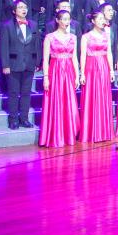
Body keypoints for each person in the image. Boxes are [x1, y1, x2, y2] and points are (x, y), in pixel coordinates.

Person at [39, 10, 80, 147]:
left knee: (69, 102)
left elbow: (74, 58)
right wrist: (45, 77)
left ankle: (68, 134)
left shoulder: (73, 37)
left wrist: (77, 75)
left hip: (69, 71)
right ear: (57, 20)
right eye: (64, 19)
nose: (67, 22)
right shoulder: (49, 37)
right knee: (55, 101)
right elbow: (45, 60)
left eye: (68, 19)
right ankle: (56, 135)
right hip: (55, 71)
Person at [0, 0, 40, 129]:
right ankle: (13, 119)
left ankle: (24, 118)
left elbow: (37, 44)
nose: (24, 9)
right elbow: (4, 47)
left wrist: (37, 61)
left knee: (26, 93)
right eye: (20, 7)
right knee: (13, 93)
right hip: (13, 64)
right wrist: (5, 65)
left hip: (29, 63)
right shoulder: (7, 26)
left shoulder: (33, 24)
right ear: (14, 10)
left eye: (25, 7)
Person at [79, 11, 115, 143]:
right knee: (91, 97)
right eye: (99, 19)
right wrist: (82, 73)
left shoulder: (107, 35)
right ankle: (91, 132)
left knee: (104, 97)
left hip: (104, 67)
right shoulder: (86, 37)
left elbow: (109, 53)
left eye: (103, 18)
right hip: (91, 68)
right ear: (93, 21)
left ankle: (104, 131)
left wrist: (111, 71)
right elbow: (83, 55)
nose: (102, 21)